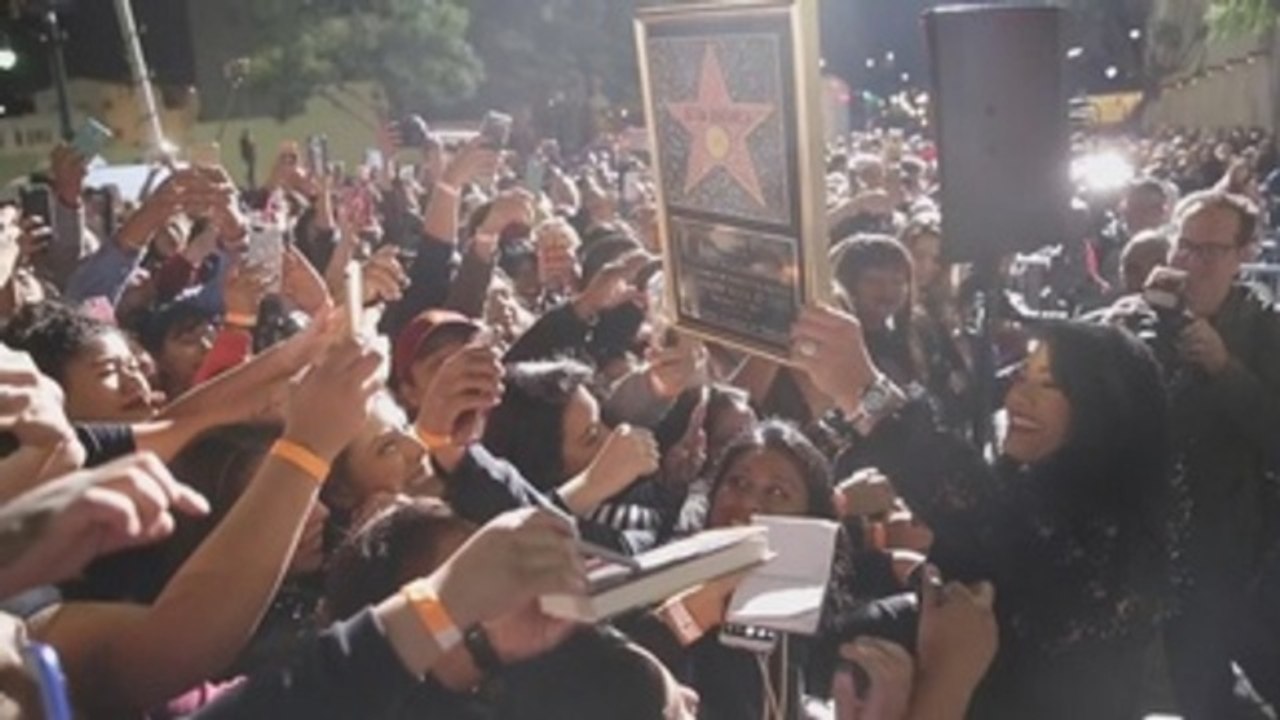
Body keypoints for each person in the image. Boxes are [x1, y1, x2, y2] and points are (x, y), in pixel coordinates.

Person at [792, 304, 1176, 719]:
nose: (1019, 398)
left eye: (1049, 385)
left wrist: (865, 391)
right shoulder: (1030, 500)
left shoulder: (1105, 540)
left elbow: (972, 502)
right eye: (1020, 377)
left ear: (1102, 410)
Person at [1104, 189, 1280, 718]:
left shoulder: (1265, 328)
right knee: (1196, 691)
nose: (1191, 262)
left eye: (1210, 251)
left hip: (1245, 553)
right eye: (1184, 245)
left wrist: (1226, 370)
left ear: (1243, 255)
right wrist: (1117, 343)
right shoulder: (1141, 319)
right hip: (1164, 550)